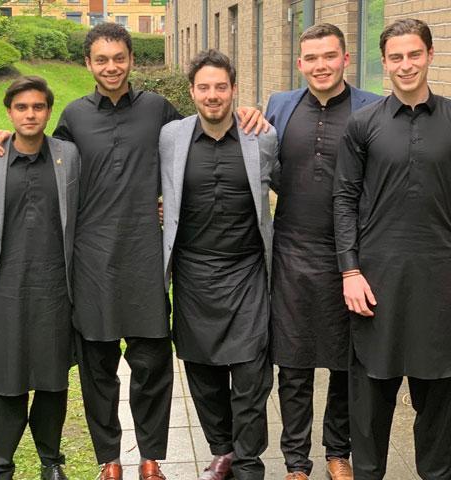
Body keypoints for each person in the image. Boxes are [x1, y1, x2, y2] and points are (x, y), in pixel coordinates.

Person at [0, 23, 267, 480]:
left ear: (131, 59)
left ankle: (151, 458)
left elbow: (205, 123)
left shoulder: (159, 111)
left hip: (146, 257)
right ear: (88, 64)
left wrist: (245, 112)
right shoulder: (72, 117)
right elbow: (41, 153)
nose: (111, 67)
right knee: (98, 369)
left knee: (152, 367)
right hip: (91, 258)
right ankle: (108, 459)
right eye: (101, 59)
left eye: (119, 58)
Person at [334, 18, 451, 480]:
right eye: (396, 57)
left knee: (440, 398)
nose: (406, 65)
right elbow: (343, 200)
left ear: (429, 55)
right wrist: (349, 271)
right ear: (384, 63)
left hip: (440, 284)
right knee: (370, 403)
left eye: (414, 54)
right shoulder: (363, 124)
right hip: (375, 285)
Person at [265, 24, 380, 480]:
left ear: (345, 59)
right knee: (292, 364)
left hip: (351, 256)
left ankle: (338, 451)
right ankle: (296, 461)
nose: (320, 65)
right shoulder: (279, 105)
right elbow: (265, 165)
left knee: (344, 361)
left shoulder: (373, 107)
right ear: (300, 64)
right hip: (291, 249)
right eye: (311, 58)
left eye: (329, 56)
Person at [160, 49, 278, 480]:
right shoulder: (170, 136)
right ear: (191, 91)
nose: (213, 95)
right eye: (204, 87)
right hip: (192, 271)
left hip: (246, 270)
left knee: (251, 374)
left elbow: (289, 182)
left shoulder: (260, 136)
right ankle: (222, 449)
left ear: (234, 90)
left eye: (221, 87)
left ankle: (249, 462)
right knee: (201, 370)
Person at [0, 76, 80, 480]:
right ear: (9, 113)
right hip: (5, 287)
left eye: (38, 107)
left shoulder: (68, 155)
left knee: (52, 380)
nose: (30, 114)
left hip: (56, 285)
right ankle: (1, 466)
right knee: (6, 380)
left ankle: (51, 462)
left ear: (49, 111)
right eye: (21, 108)